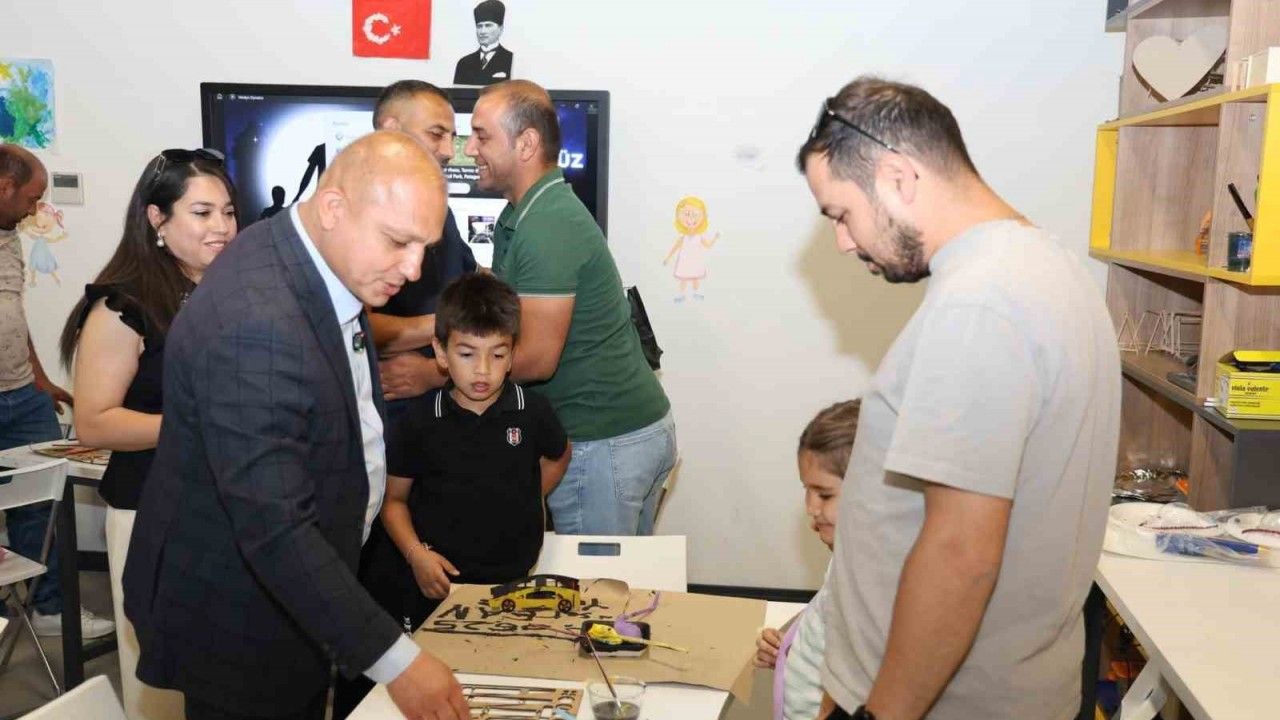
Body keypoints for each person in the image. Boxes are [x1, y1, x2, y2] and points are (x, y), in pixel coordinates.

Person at [796, 77, 1121, 720]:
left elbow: (961, 554)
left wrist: (881, 713)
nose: (843, 241)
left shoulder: (979, 304)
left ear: (897, 177)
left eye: (840, 214)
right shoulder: (1048, 268)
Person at [122, 131, 469, 720]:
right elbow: (273, 524)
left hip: (294, 595)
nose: (413, 269)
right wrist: (397, 663)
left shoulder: (307, 254)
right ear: (332, 208)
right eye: (398, 242)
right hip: (239, 616)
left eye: (424, 248)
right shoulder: (257, 323)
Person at [335, 273, 571, 718]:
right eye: (466, 354)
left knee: (501, 694)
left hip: (510, 585)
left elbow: (558, 455)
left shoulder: (533, 411)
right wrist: (416, 555)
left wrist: (524, 498)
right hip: (437, 590)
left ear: (512, 355)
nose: (482, 370)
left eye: (497, 354)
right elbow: (393, 501)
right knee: (442, 694)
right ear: (441, 353)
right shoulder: (420, 422)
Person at [57, 147, 237, 719]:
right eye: (202, 213)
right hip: (153, 513)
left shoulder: (232, 291)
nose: (222, 227)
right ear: (157, 219)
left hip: (229, 509)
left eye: (228, 212)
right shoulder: (122, 305)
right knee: (163, 688)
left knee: (226, 678)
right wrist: (200, 426)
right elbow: (95, 420)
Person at [465, 80, 675, 535]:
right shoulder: (524, 214)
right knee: (622, 580)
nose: (469, 148)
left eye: (481, 136)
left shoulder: (548, 224)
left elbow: (536, 359)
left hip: (603, 444)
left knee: (595, 582)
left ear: (526, 143)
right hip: (617, 440)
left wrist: (439, 371)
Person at [0, 143, 113, 641]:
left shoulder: (10, 236)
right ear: (5, 187)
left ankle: (50, 608)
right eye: (32, 197)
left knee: (44, 502)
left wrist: (39, 377)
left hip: (22, 393)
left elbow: (12, 312)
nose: (34, 209)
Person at [367, 80, 478, 414]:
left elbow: (468, 277)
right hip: (390, 412)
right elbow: (356, 327)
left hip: (445, 410)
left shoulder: (440, 210)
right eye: (436, 134)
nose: (449, 151)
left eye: (451, 136)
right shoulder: (359, 214)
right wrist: (456, 323)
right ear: (391, 130)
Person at [753, 400, 860, 720]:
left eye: (825, 495)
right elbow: (826, 622)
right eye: (807, 490)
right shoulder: (846, 558)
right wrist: (791, 648)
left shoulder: (863, 584)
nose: (811, 507)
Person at [454, 0, 514, 86]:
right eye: (479, 26)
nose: (482, 31)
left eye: (488, 25)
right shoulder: (464, 63)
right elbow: (457, 93)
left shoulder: (510, 59)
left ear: (500, 29)